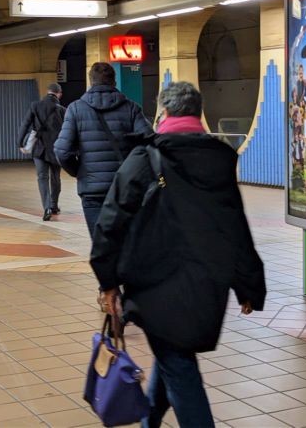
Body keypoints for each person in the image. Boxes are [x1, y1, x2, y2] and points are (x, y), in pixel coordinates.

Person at [90, 82, 266, 428]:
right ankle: (148, 423)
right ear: (197, 113)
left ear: (164, 113)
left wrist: (108, 282)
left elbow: (110, 223)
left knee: (179, 366)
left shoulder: (144, 158)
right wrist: (248, 284)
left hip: (156, 285)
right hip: (207, 283)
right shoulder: (220, 159)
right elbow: (235, 224)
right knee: (173, 355)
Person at [54, 62, 151, 236]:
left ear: (91, 82)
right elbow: (149, 144)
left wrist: (80, 172)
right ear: (114, 82)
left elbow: (61, 150)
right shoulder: (131, 108)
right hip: (125, 187)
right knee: (127, 243)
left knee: (102, 247)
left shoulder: (75, 109)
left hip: (93, 191)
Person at [17, 83, 66, 221]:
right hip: (56, 149)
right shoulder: (62, 110)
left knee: (42, 177)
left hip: (39, 148)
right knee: (55, 177)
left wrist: (20, 142)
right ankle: (54, 205)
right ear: (59, 94)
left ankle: (46, 208)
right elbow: (68, 130)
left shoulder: (35, 106)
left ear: (48, 92)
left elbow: (25, 124)